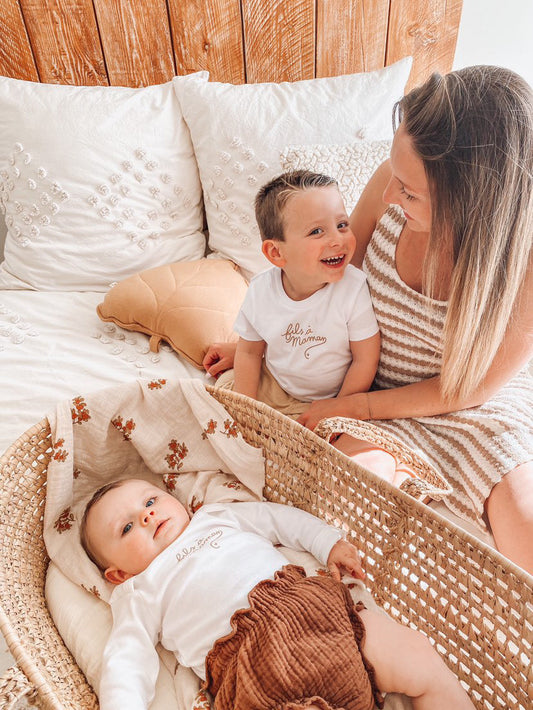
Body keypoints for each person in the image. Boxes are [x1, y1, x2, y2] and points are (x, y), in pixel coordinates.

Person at [203, 66, 533, 574]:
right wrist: (266, 339)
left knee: (521, 509)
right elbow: (327, 279)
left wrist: (358, 406)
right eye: (393, 176)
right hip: (370, 376)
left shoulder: (523, 262)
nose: (387, 197)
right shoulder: (391, 183)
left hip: (466, 400)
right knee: (344, 495)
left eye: (410, 192)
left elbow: (464, 392)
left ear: (474, 203)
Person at [81, 477, 475, 710]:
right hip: (252, 663)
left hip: (314, 610)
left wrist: (328, 543)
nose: (146, 515)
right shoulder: (138, 590)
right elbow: (126, 658)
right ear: (116, 573)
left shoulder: (215, 516)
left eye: (150, 501)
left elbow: (278, 520)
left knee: (416, 653)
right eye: (127, 528)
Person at [215, 170, 415, 487]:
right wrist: (247, 409)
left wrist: (340, 410)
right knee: (225, 410)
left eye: (342, 224)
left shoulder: (352, 288)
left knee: (339, 458)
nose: (337, 239)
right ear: (276, 253)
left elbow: (366, 358)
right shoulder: (261, 291)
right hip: (276, 386)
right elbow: (251, 353)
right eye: (317, 231)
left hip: (337, 397)